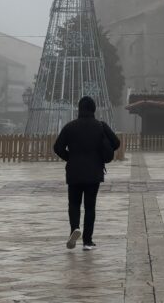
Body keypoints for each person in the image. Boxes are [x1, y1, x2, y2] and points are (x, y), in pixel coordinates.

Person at [53, 96, 120, 250]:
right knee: (90, 206)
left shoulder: (70, 127)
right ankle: (87, 241)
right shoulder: (100, 126)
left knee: (74, 203)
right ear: (94, 109)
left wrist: (70, 157)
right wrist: (101, 152)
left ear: (79, 109)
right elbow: (116, 143)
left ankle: (75, 228)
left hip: (74, 172)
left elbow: (57, 147)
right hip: (94, 172)